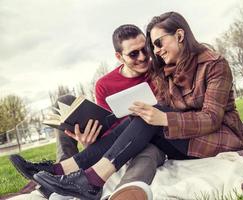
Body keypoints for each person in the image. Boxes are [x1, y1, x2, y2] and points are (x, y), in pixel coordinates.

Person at [11, 12, 243, 200]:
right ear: (120, 57)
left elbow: (211, 118)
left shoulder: (214, 64)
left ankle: (84, 177)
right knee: (141, 115)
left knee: (150, 115)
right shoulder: (166, 68)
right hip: (181, 138)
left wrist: (164, 119)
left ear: (179, 36)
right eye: (152, 46)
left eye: (156, 44)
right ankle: (66, 172)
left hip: (218, 136)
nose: (153, 53)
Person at [10, 24, 165, 200]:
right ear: (119, 57)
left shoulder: (159, 72)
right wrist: (87, 141)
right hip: (114, 141)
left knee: (144, 122)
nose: (143, 57)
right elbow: (109, 129)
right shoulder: (104, 84)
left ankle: (60, 174)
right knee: (66, 102)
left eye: (144, 48)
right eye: (133, 54)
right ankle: (62, 175)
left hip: (150, 138)